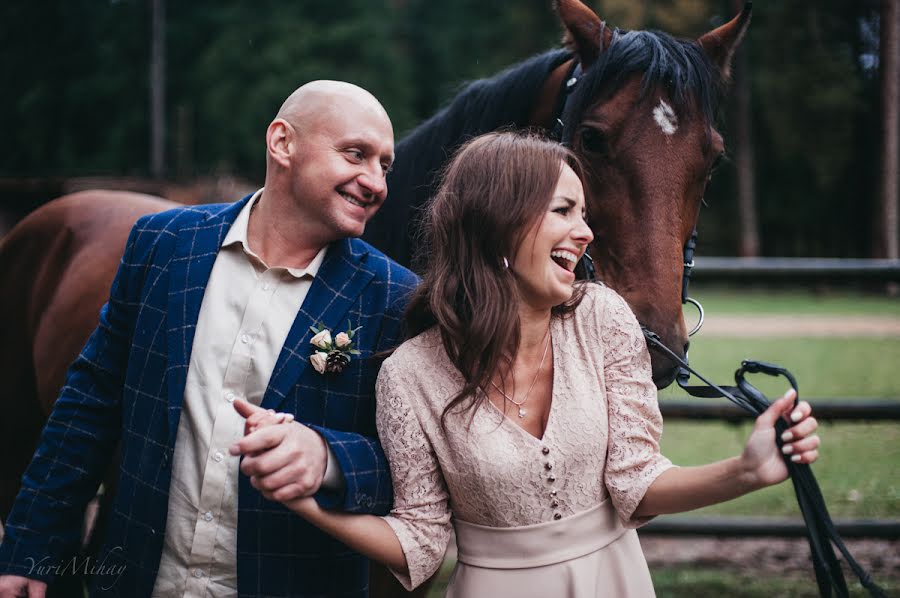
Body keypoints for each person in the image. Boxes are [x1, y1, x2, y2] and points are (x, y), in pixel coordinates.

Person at [234, 131, 821, 597]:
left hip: (617, 583)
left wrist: (745, 471)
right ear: (499, 223)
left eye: (583, 213)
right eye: (565, 210)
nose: (586, 232)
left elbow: (636, 483)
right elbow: (419, 541)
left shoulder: (603, 319)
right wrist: (303, 499)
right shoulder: (410, 375)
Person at [0, 80, 418, 597]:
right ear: (282, 143)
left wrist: (327, 457)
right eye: (356, 155)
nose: (375, 183)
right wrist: (31, 549)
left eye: (385, 165)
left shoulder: (395, 299)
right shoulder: (163, 246)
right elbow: (91, 404)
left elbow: (411, 472)